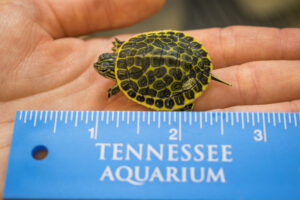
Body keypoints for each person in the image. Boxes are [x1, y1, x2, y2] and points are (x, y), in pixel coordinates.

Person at [0, 0, 299, 194]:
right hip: (185, 52)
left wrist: (117, 86)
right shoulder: (126, 49)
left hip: (182, 63)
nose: (102, 68)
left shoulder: (123, 79)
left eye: (106, 69)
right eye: (107, 69)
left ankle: (186, 101)